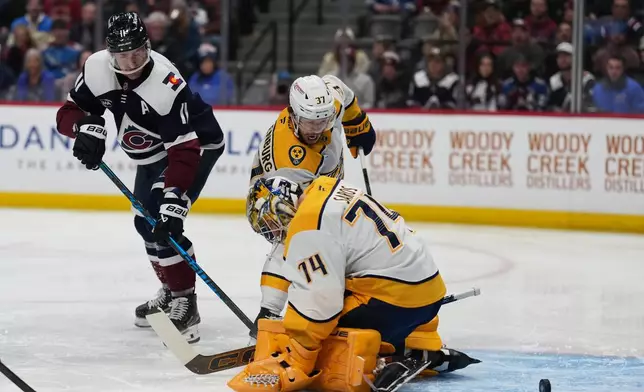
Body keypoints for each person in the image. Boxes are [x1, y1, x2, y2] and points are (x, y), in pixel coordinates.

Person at [54, 12, 225, 343]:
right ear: (109, 53)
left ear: (148, 47)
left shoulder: (166, 84)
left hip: (195, 146)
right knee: (144, 223)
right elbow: (67, 113)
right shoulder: (96, 68)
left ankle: (185, 302)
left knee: (164, 222)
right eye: (121, 56)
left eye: (137, 54)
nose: (130, 63)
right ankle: (171, 288)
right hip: (153, 152)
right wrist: (83, 127)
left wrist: (175, 201)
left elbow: (184, 152)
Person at [229, 175, 479, 392]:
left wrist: (296, 355)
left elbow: (320, 304)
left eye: (271, 224)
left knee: (321, 333)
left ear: (283, 207)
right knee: (346, 287)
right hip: (428, 294)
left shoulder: (308, 224)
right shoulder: (327, 188)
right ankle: (420, 342)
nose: (274, 234)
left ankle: (386, 356)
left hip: (396, 302)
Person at [247, 74, 377, 340]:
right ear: (295, 114)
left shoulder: (328, 104)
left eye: (323, 120)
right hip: (272, 196)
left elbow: (339, 87)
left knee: (341, 243)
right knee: (296, 240)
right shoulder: (290, 158)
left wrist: (357, 122)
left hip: (324, 184)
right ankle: (268, 314)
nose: (317, 128)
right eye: (309, 121)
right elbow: (304, 206)